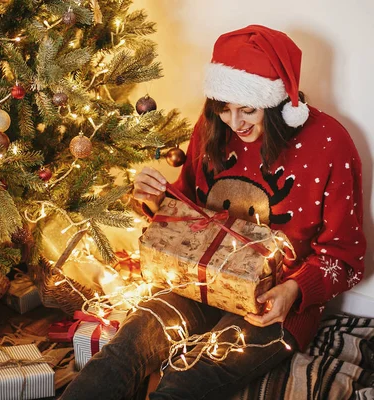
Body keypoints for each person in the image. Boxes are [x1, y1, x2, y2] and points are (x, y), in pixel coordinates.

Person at [60, 25, 366, 400]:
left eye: (248, 110)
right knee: (123, 351)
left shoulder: (329, 143)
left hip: (275, 302)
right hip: (197, 283)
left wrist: (294, 290)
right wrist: (155, 200)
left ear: (277, 103)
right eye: (224, 108)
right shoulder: (211, 129)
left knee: (186, 379)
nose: (235, 123)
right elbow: (189, 208)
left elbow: (346, 257)